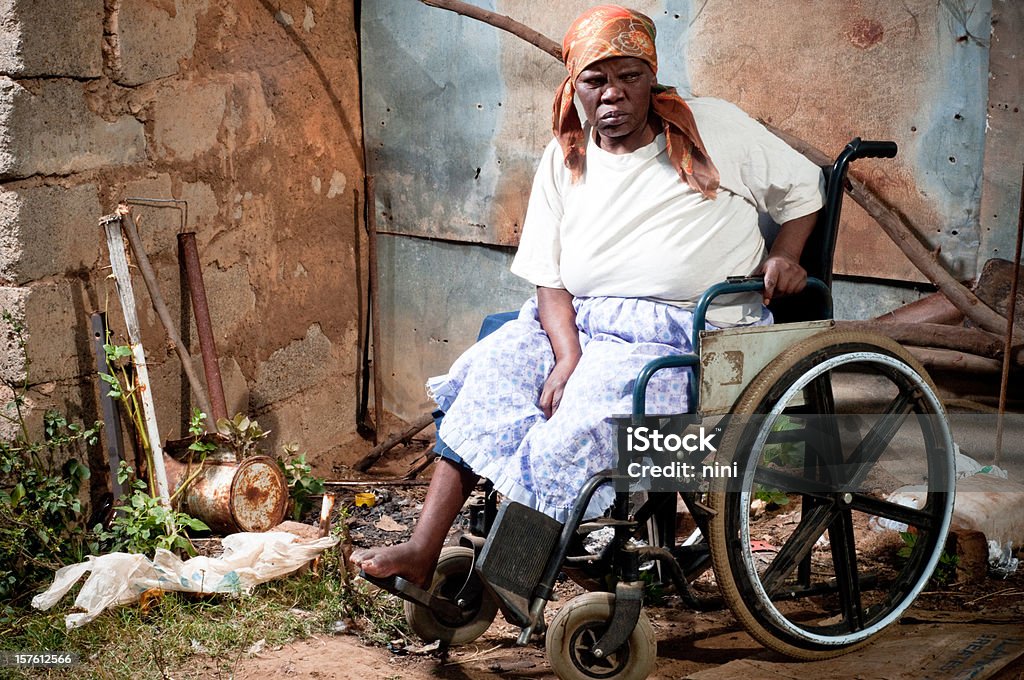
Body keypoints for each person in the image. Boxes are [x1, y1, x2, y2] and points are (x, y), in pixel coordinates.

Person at [351, 4, 824, 590]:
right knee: (489, 374)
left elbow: (806, 187)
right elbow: (549, 279)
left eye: (629, 77)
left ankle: (512, 576)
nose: (614, 95)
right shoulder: (564, 156)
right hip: (578, 324)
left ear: (652, 77)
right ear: (574, 86)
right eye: (596, 80)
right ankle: (425, 548)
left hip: (680, 332)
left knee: (578, 416)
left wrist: (788, 255)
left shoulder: (714, 127)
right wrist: (568, 354)